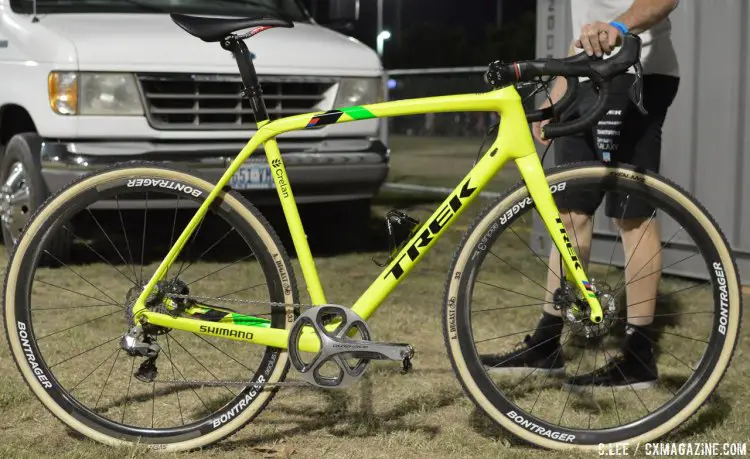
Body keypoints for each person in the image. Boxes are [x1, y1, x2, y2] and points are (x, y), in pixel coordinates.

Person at [481, 0, 681, 390]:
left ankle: (638, 357)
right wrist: (560, 88)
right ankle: (546, 344)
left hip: (637, 69)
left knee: (631, 213)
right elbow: (586, 24)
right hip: (585, 76)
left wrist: (618, 27)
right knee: (569, 213)